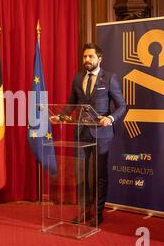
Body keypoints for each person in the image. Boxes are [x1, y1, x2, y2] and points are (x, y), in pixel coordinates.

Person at [51, 43, 126, 225]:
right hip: (81, 133)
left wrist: (110, 119)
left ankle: (98, 213)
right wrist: (62, 116)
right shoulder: (78, 79)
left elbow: (122, 106)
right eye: (85, 57)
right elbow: (71, 103)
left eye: (90, 57)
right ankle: (85, 211)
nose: (87, 60)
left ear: (99, 59)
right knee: (80, 174)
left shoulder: (109, 78)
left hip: (102, 134)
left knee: (100, 175)